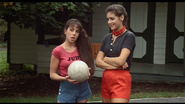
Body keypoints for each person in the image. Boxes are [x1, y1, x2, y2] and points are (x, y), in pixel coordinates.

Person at [95, 4, 136, 103]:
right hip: (106, 79)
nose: (109, 22)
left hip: (121, 79)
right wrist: (116, 66)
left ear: (121, 17)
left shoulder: (129, 36)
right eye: (108, 19)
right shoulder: (107, 37)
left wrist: (105, 59)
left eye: (112, 19)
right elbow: (97, 62)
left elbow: (121, 60)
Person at [49, 18, 95, 103]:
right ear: (65, 31)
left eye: (77, 31)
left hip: (83, 87)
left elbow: (88, 67)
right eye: (71, 30)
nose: (74, 34)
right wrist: (65, 79)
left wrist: (87, 71)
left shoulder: (82, 48)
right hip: (67, 88)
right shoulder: (57, 51)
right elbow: (52, 74)